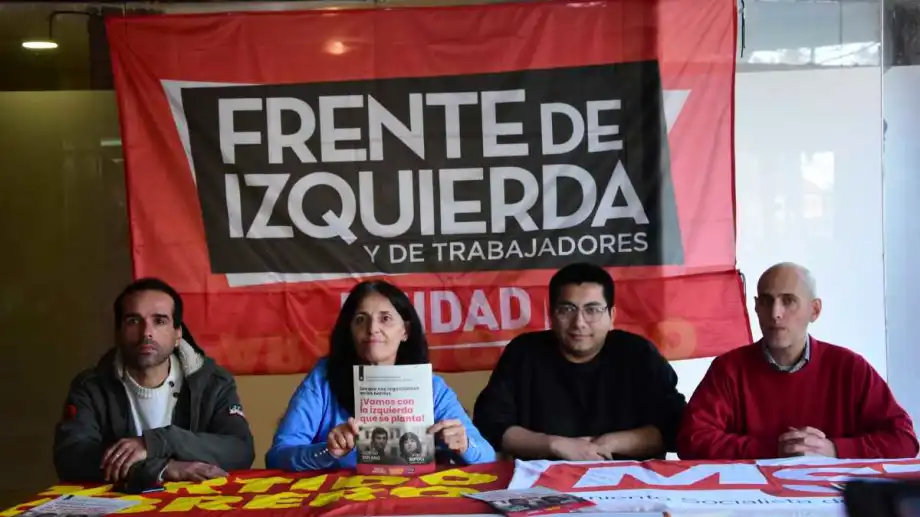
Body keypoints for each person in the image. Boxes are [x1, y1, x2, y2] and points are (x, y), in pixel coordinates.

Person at [677, 262, 919, 460]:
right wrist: (774, 450)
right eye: (766, 301)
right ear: (756, 308)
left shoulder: (850, 368)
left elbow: (904, 440)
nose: (775, 313)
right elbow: (691, 440)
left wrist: (833, 449)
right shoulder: (729, 369)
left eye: (788, 301)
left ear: (814, 311)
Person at [265, 280, 496, 471]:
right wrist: (328, 451)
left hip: (411, 501)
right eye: (360, 320)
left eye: (385, 318)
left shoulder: (431, 387)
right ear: (350, 332)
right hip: (338, 502)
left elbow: (488, 457)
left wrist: (465, 444)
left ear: (405, 330)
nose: (372, 328)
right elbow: (277, 456)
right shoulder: (324, 379)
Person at [53, 278, 255, 491]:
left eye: (159, 321)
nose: (146, 333)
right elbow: (71, 457)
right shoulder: (90, 387)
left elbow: (240, 450)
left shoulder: (213, 383)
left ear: (178, 334)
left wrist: (156, 442)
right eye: (133, 321)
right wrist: (162, 468)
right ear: (118, 332)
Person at [472, 263, 687, 461]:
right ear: (552, 314)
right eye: (567, 309)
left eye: (592, 310)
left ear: (611, 316)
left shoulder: (639, 354)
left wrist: (608, 444)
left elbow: (677, 426)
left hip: (629, 483)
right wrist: (555, 445)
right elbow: (490, 425)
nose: (579, 323)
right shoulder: (523, 353)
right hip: (540, 485)